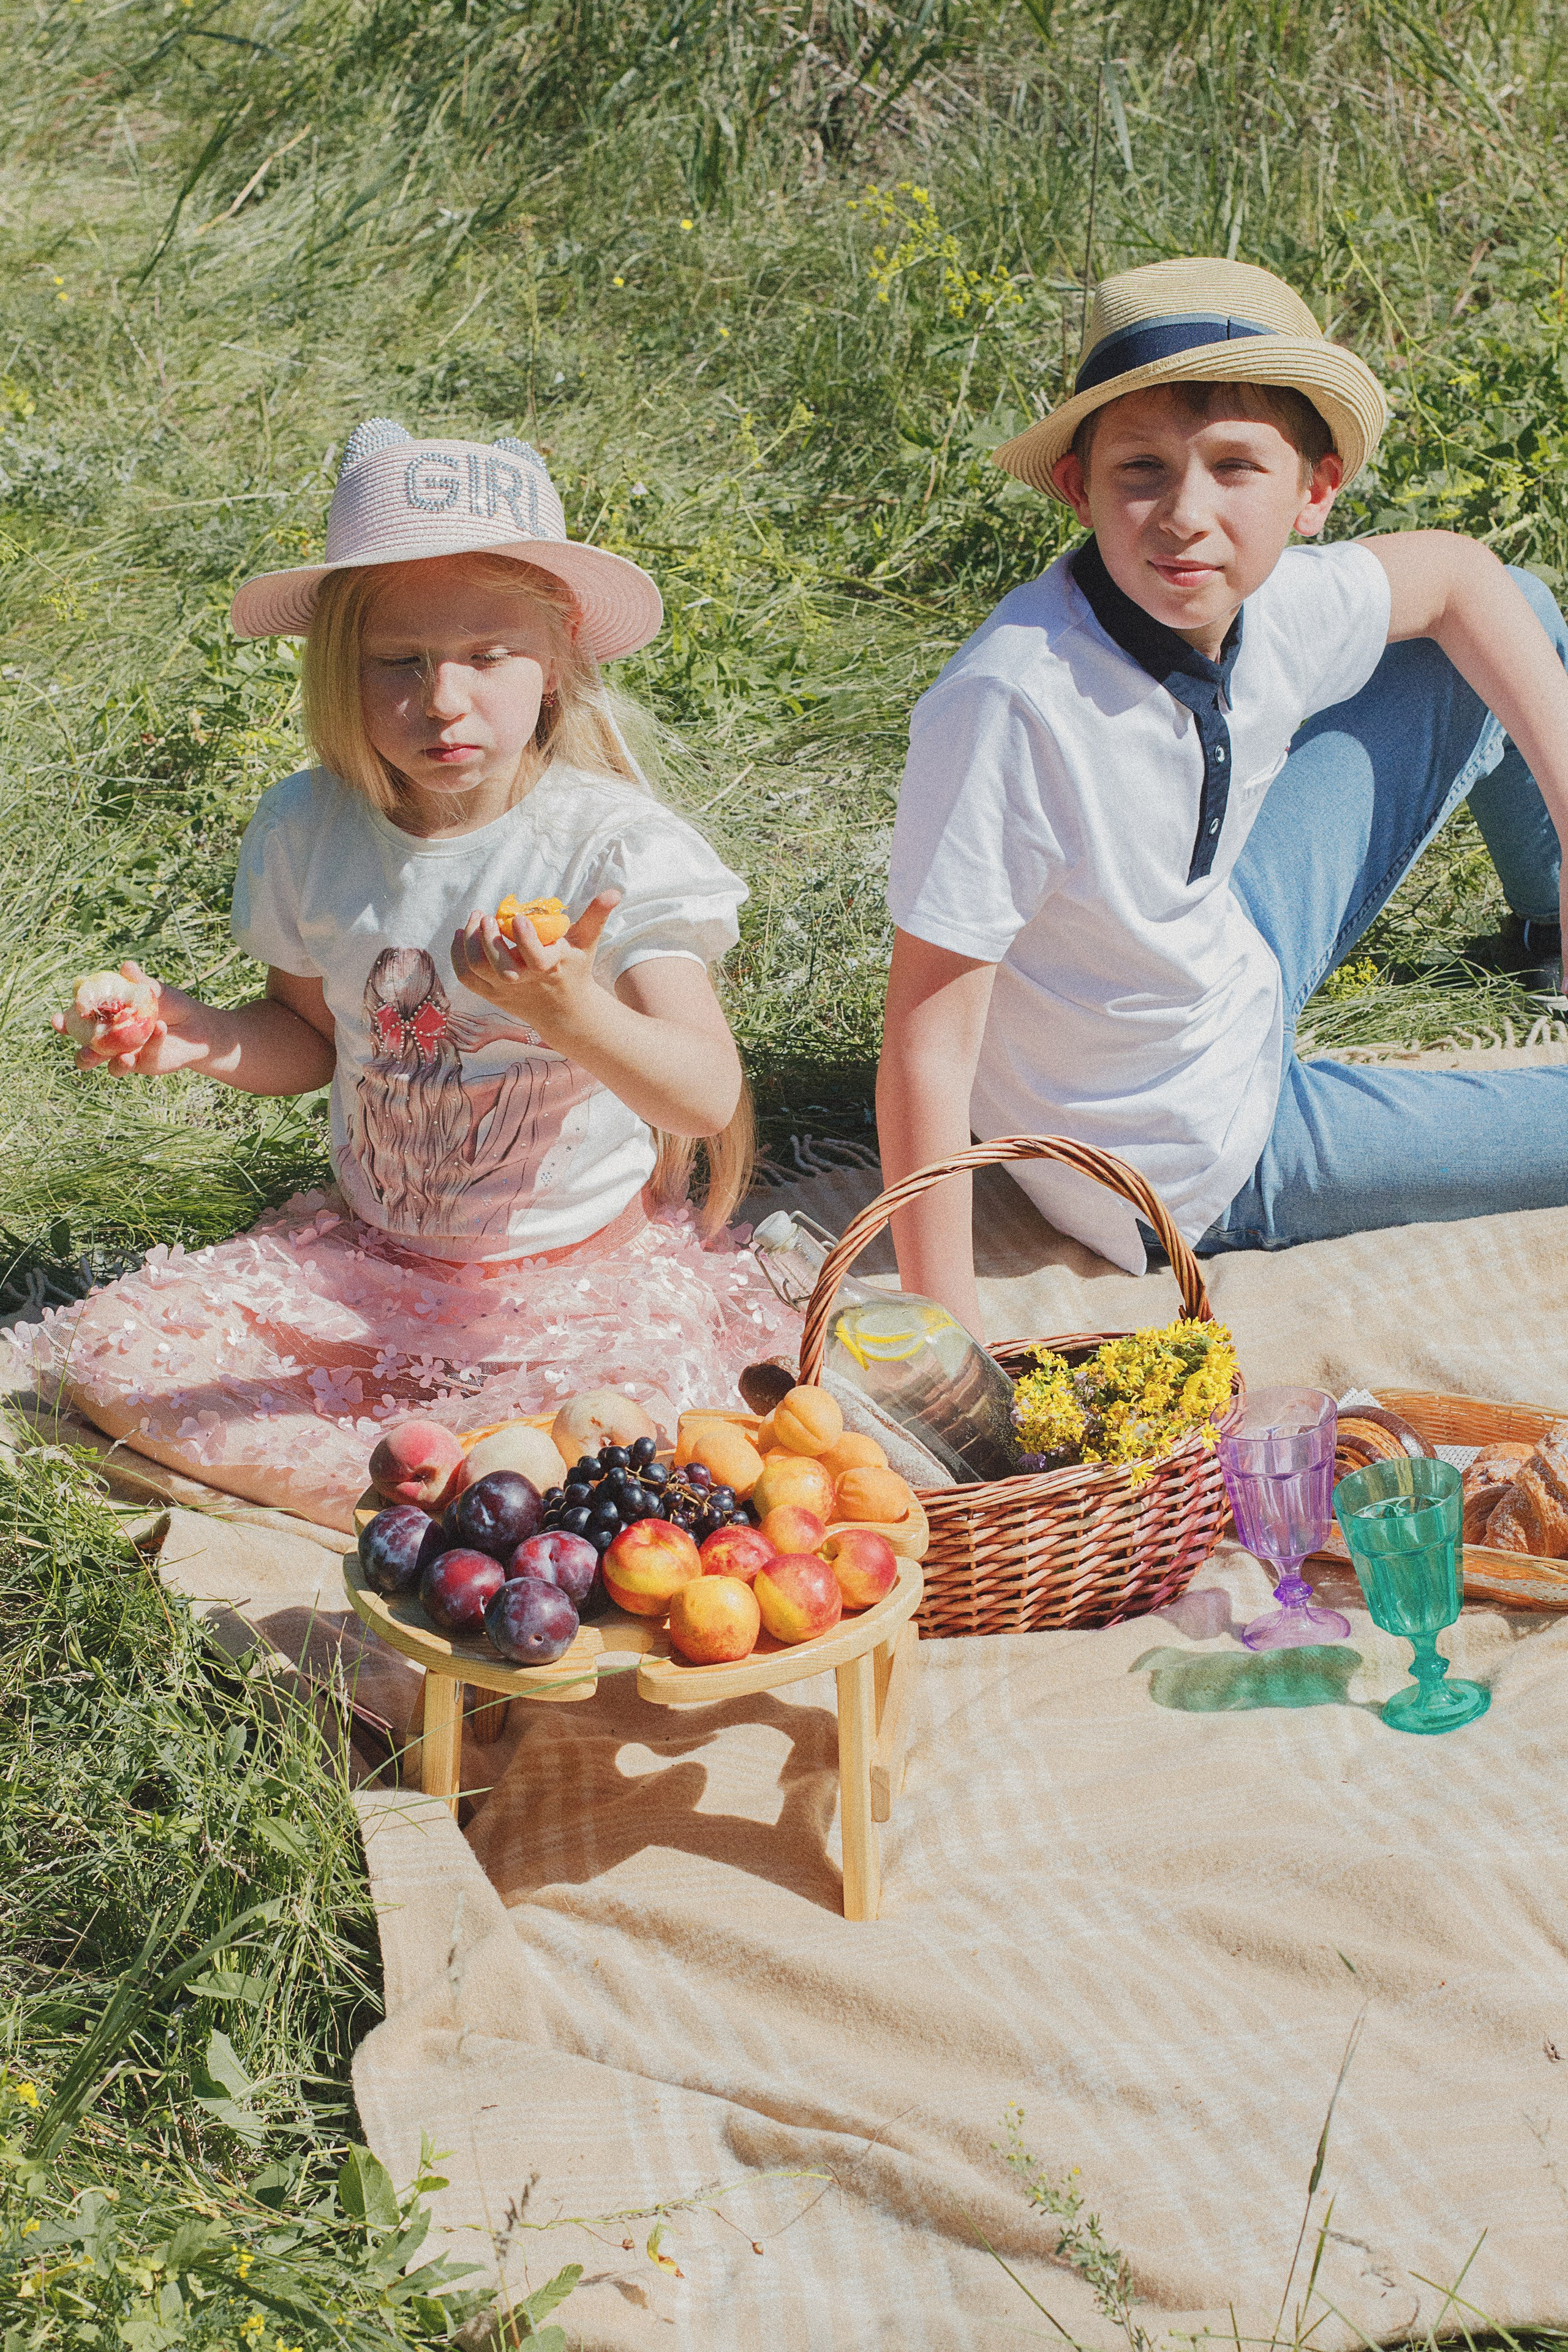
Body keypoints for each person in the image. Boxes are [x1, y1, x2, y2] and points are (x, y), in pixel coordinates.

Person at [26, 420, 796, 1531]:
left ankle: (432, 1486)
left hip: (572, 1283)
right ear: (340, 665)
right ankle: (454, 1486)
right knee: (111, 1355)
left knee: (622, 1443)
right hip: (376, 1264)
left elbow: (703, 1094)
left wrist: (570, 1009)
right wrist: (191, 1033)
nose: (444, 700)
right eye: (400, 661)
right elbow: (309, 1045)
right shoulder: (308, 828)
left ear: (559, 655)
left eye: (487, 657)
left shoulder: (610, 851)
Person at [876, 257, 1568, 1334]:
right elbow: (925, 1032)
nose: (1185, 517)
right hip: (1179, 1154)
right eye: (1141, 470)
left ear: (1315, 492)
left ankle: (1553, 925)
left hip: (1226, 954)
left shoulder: (1272, 600)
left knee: (1509, 611)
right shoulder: (1013, 706)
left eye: (1236, 467)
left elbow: (1465, 576)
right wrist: (946, 1327)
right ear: (1080, 488)